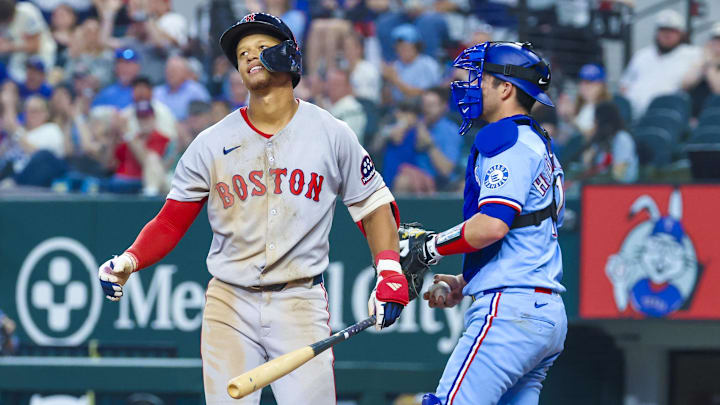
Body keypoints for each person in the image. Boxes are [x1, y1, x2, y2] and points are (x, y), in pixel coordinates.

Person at [97, 13, 407, 404]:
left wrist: (389, 267)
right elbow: (171, 220)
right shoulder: (211, 142)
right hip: (229, 301)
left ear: (290, 55)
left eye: (261, 48)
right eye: (242, 53)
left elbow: (373, 203)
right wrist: (130, 259)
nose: (249, 57)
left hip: (299, 300)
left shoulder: (331, 133)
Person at [400, 42, 567, 405]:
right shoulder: (537, 140)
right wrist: (465, 281)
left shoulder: (504, 138)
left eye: (482, 79)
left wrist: (429, 247)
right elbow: (524, 232)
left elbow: (492, 226)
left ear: (506, 88)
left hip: (511, 314)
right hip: (542, 312)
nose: (472, 86)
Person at [620, 9, 701, 118]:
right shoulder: (642, 54)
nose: (667, 35)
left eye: (672, 31)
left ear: (681, 34)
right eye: (663, 30)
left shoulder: (692, 54)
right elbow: (624, 84)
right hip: (633, 114)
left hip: (666, 115)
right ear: (657, 32)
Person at [682, 22, 720, 120]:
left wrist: (710, 65)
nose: (717, 43)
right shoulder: (701, 60)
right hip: (693, 117)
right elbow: (685, 84)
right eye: (715, 39)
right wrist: (705, 62)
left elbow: (717, 90)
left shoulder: (708, 63)